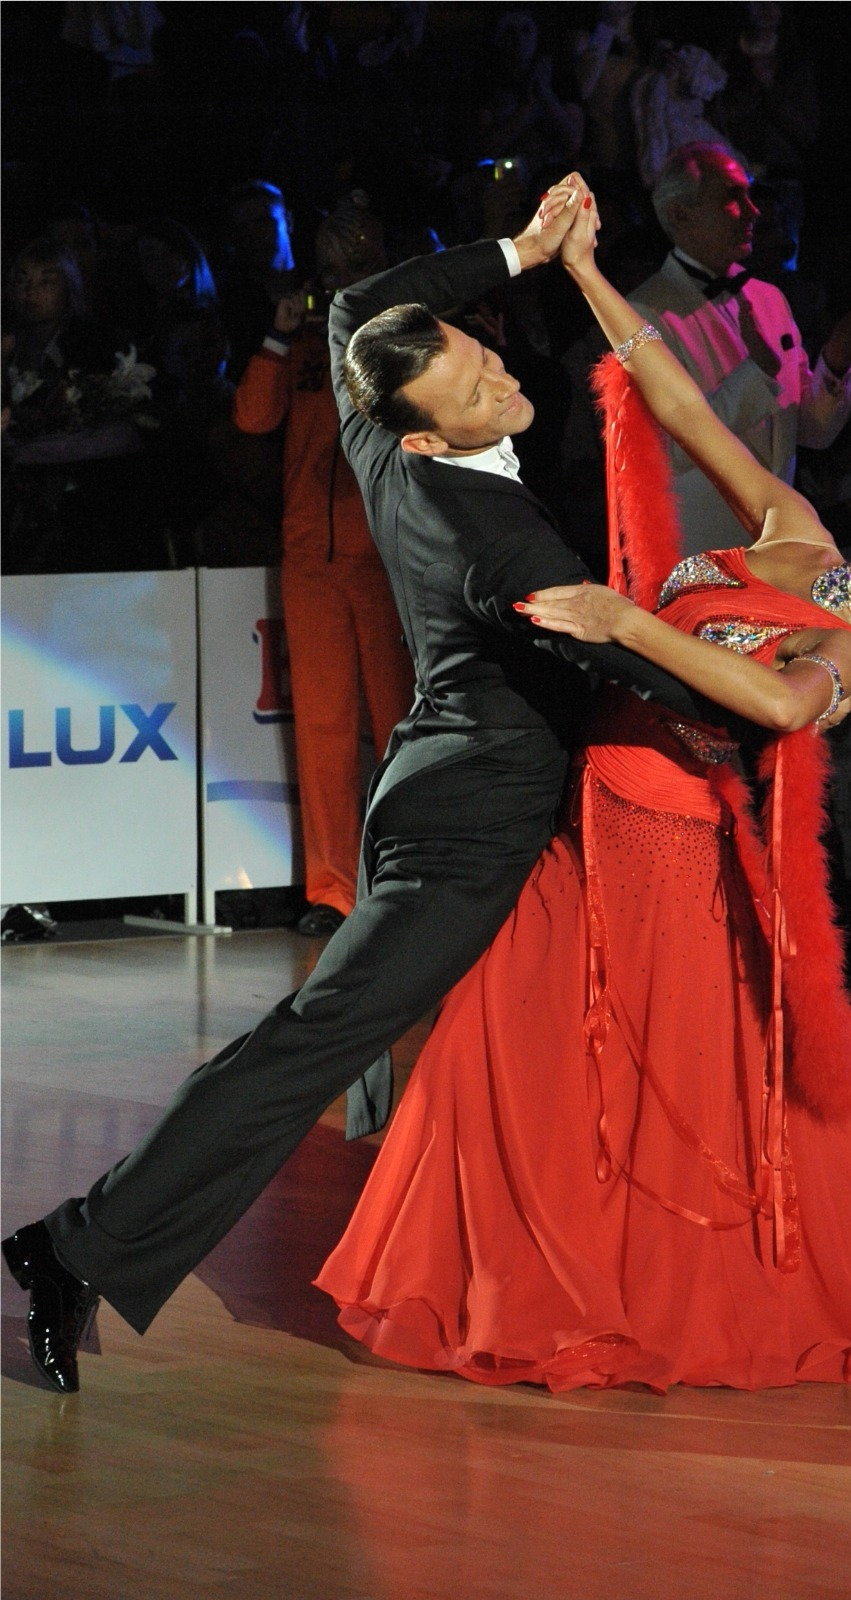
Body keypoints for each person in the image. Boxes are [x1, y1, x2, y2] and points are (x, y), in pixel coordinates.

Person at [315, 189, 851, 1394]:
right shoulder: (799, 530)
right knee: (508, 1052)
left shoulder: (844, 650)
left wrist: (629, 617)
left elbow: (783, 707)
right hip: (583, 820)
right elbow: (680, 402)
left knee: (751, 1114)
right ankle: (510, 1282)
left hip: (666, 860)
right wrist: (580, 269)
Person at [1, 179, 732, 1396]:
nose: (497, 372)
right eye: (469, 384)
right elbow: (613, 651)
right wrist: (766, 699)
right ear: (428, 436)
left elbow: (357, 305)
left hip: (465, 788)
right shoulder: (491, 539)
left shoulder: (378, 425)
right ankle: (73, 1245)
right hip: (469, 828)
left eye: (479, 350)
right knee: (315, 1035)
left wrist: (521, 250)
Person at [232, 194, 415, 937]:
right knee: (325, 730)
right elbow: (251, 417)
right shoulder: (302, 343)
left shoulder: (404, 337)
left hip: (385, 556)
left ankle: (413, 881)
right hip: (309, 558)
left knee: (402, 724)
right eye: (332, 263)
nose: (340, 277)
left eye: (356, 261)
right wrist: (278, 338)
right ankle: (332, 893)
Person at [628, 142, 851, 553]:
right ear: (680, 214)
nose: (753, 210)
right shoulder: (641, 313)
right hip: (705, 550)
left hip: (780, 545)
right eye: (731, 197)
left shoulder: (768, 297)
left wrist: (835, 362)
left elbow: (812, 432)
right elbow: (666, 449)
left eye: (748, 193)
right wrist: (755, 375)